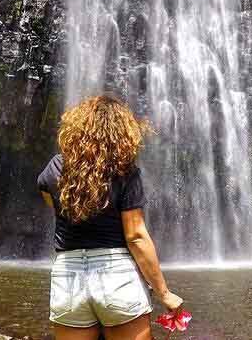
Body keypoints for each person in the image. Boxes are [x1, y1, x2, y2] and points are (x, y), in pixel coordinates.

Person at [38, 95, 185, 340]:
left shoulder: (54, 167)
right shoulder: (124, 170)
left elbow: (51, 202)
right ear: (121, 132)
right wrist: (164, 294)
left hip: (67, 274)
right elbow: (136, 236)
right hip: (115, 273)